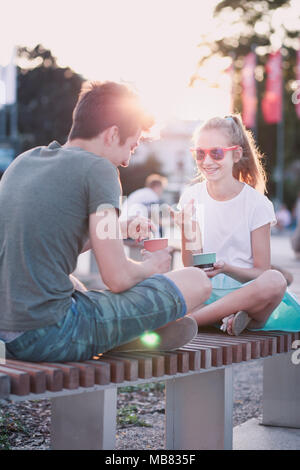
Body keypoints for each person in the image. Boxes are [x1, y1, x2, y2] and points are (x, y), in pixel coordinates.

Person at [0, 81, 212, 362]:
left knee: (73, 284)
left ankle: (121, 333)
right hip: (52, 335)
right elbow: (118, 278)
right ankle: (122, 333)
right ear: (113, 134)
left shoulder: (26, 160)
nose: (126, 161)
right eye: (132, 147)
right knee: (197, 280)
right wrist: (152, 267)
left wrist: (119, 228)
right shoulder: (100, 169)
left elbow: (47, 242)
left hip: (11, 331)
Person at [171, 114, 300, 335]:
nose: (207, 161)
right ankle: (229, 318)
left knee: (275, 280)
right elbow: (191, 266)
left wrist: (228, 269)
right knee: (166, 281)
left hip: (246, 291)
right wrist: (188, 228)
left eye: (217, 153)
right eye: (200, 153)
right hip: (205, 291)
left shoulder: (256, 203)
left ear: (236, 154)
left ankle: (191, 321)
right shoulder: (191, 196)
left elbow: (261, 272)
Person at [120, 174, 167, 238]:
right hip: (129, 227)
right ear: (157, 187)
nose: (161, 192)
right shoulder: (152, 195)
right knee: (158, 229)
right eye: (162, 188)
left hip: (122, 224)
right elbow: (155, 220)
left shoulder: (141, 193)